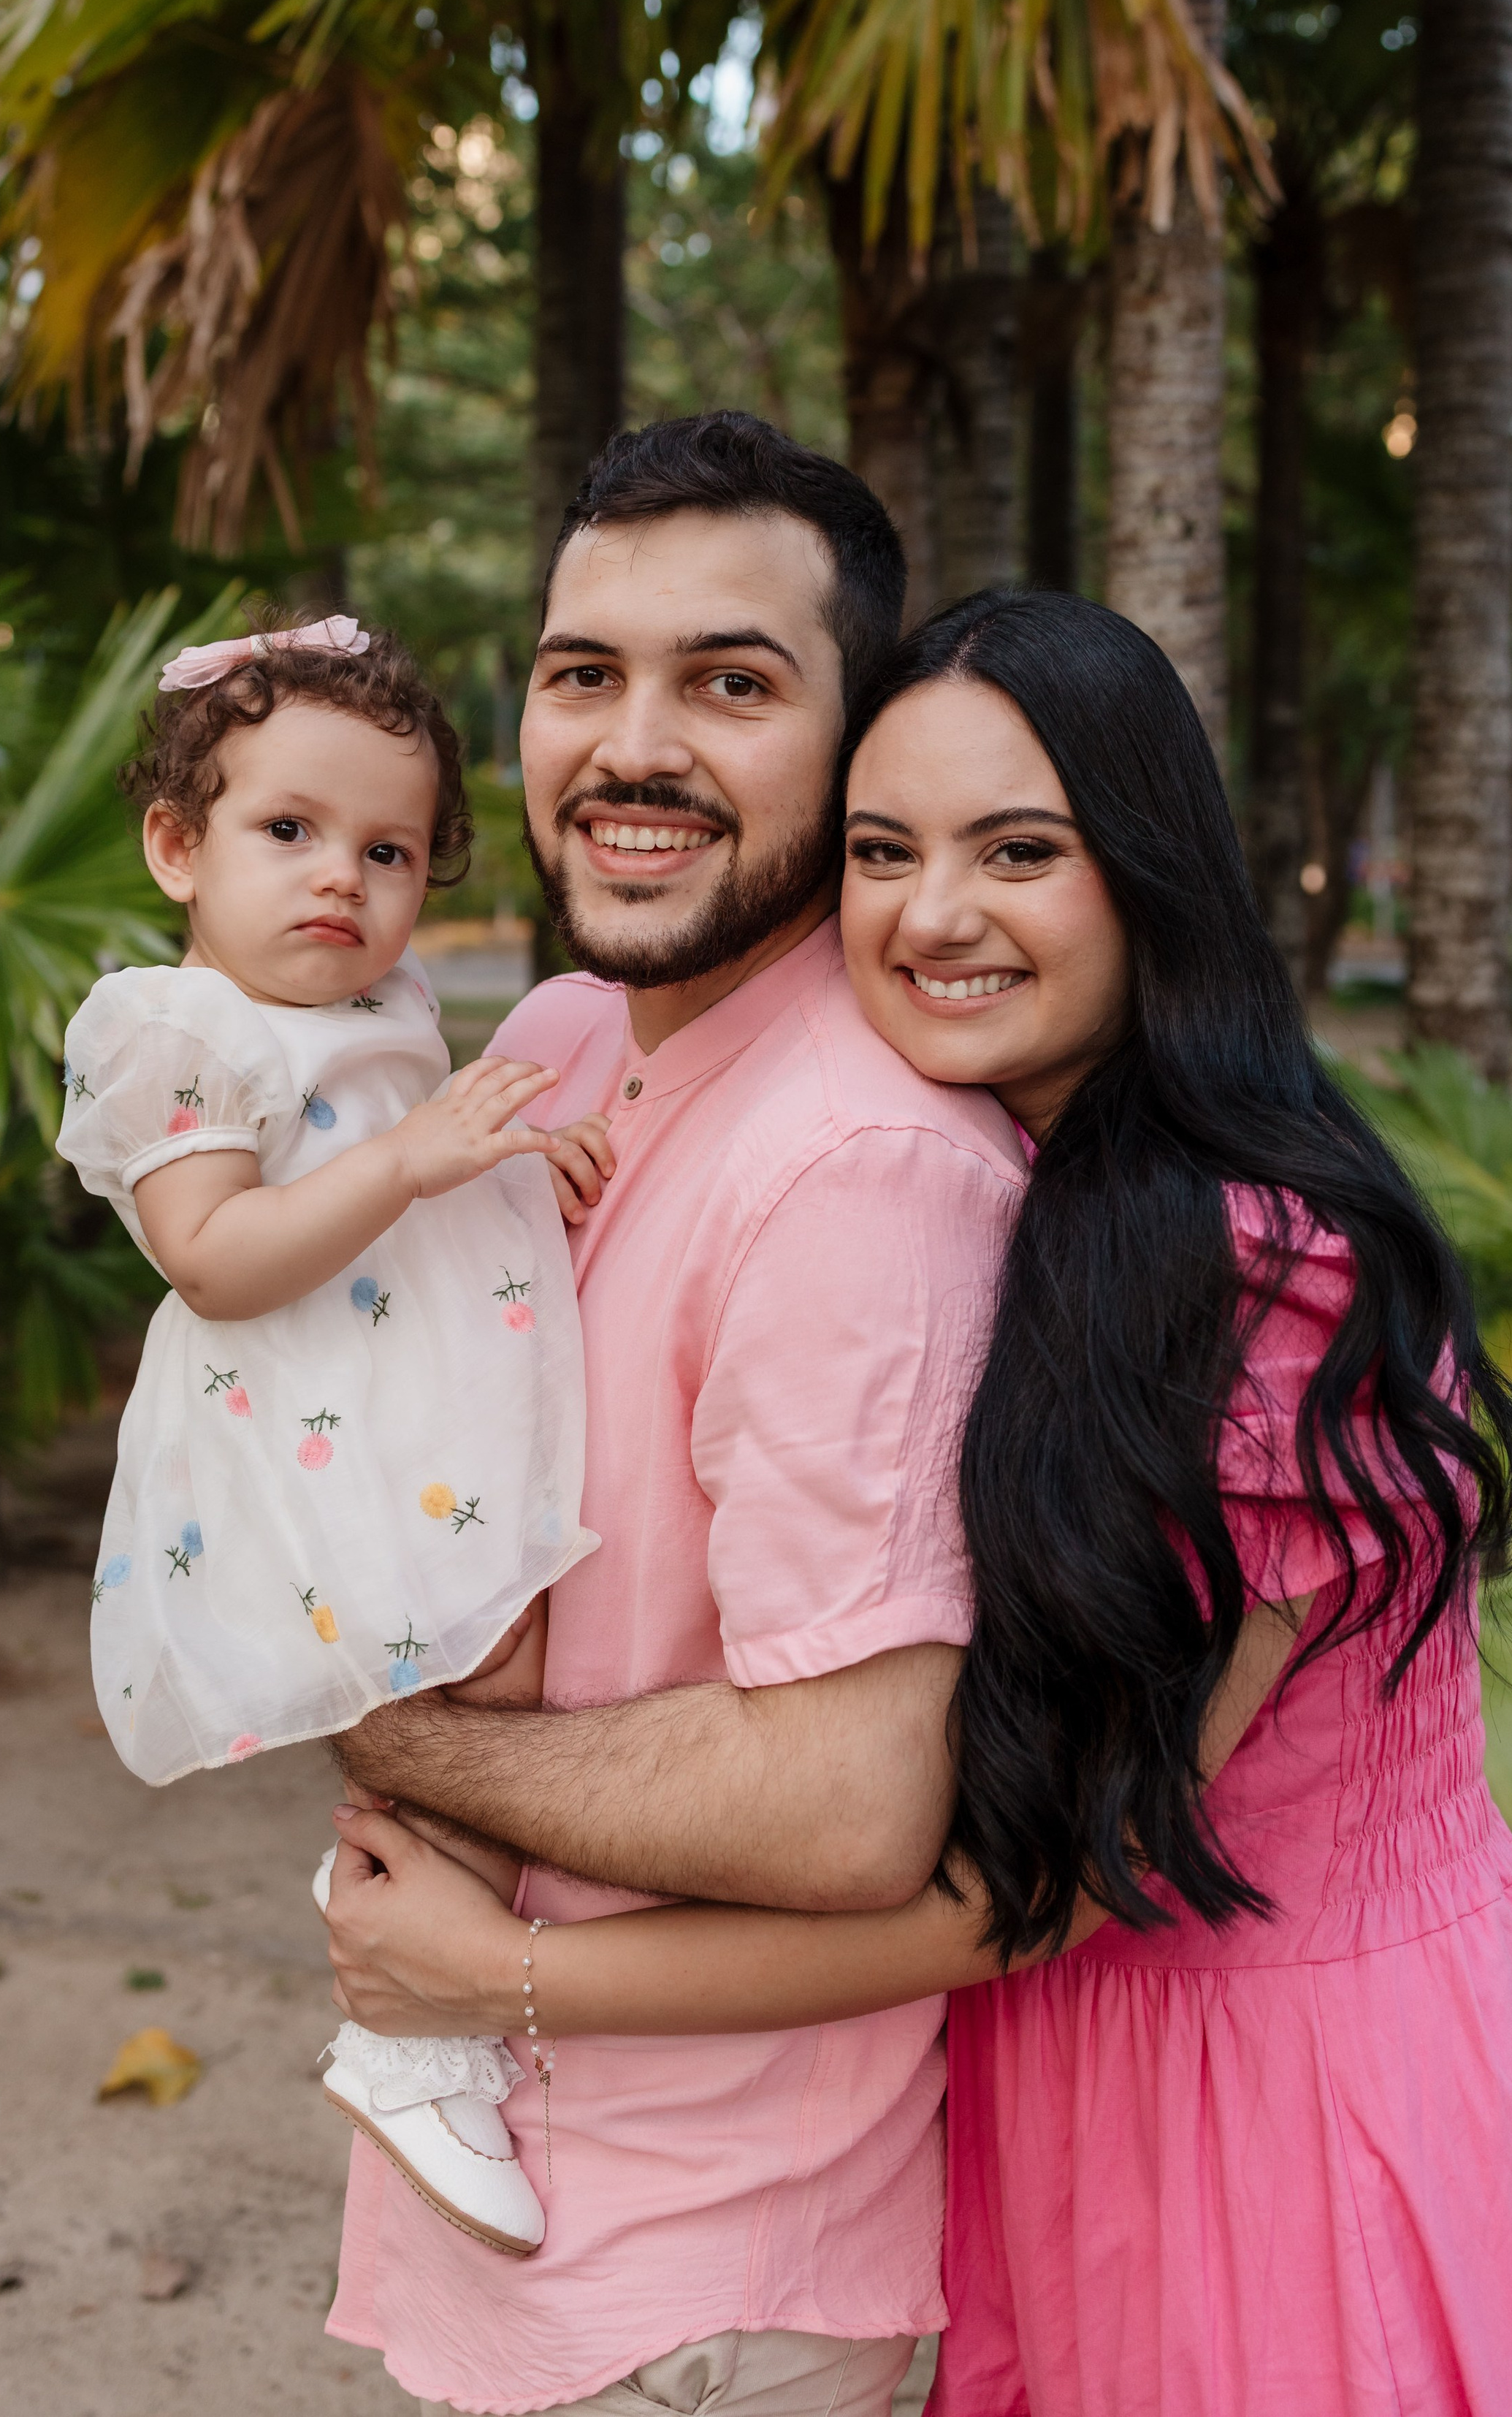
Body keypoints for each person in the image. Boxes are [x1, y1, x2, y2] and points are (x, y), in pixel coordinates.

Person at [331, 589, 1512, 2417]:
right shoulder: (1017, 1189)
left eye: (1018, 850)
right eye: (883, 851)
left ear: (1147, 874)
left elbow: (1070, 1878)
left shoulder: (1258, 1276)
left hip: (1282, 2097)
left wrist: (502, 1974)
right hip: (1056, 2098)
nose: (931, 914)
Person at [325, 417, 1028, 2416]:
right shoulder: (552, 1046)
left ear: (860, 739)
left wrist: (400, 1733)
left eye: (730, 682)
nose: (634, 747)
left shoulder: (861, 1169)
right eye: (582, 676)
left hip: (706, 2283)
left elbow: (847, 1800)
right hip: (512, 2189)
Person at [57, 613, 609, 2255]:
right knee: (452, 1685)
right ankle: (409, 2032)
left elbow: (413, 1144)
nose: (340, 879)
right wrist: (423, 1164)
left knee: (489, 1667)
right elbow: (216, 1261)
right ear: (178, 844)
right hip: (294, 1433)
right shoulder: (172, 1029)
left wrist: (526, 1158)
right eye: (285, 831)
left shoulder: (389, 1000)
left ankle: (392, 1931)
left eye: (385, 848)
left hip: (411, 1404)